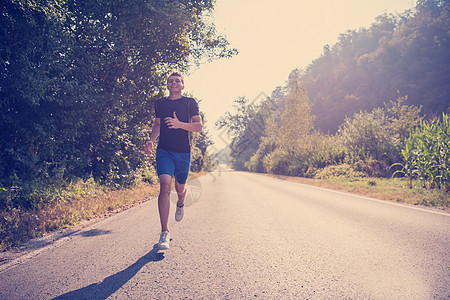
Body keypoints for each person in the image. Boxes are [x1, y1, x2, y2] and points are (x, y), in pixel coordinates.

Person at [145, 71, 203, 250]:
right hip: (164, 151)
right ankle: (165, 232)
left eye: (177, 80)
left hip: (183, 153)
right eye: (171, 81)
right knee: (164, 186)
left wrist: (180, 125)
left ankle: (181, 202)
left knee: (180, 188)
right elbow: (157, 124)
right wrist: (151, 140)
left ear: (182, 85)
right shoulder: (160, 103)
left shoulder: (189, 103)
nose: (174, 83)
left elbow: (198, 126)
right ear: (167, 85)